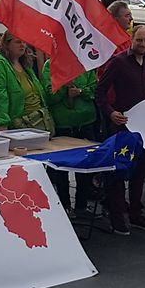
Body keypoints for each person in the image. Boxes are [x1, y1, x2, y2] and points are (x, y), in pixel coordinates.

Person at [97, 24, 145, 235]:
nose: (142, 44)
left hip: (143, 128)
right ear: (131, 40)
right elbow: (100, 92)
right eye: (139, 40)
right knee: (118, 171)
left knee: (140, 171)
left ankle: (135, 212)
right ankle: (116, 216)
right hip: (121, 126)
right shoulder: (119, 62)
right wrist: (111, 112)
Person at [48, 66, 100, 217]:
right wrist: (64, 89)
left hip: (85, 122)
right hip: (64, 123)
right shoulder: (51, 66)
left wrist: (81, 92)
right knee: (61, 168)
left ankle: (81, 205)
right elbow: (48, 95)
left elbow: (95, 88)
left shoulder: (86, 65)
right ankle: (64, 205)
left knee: (85, 166)